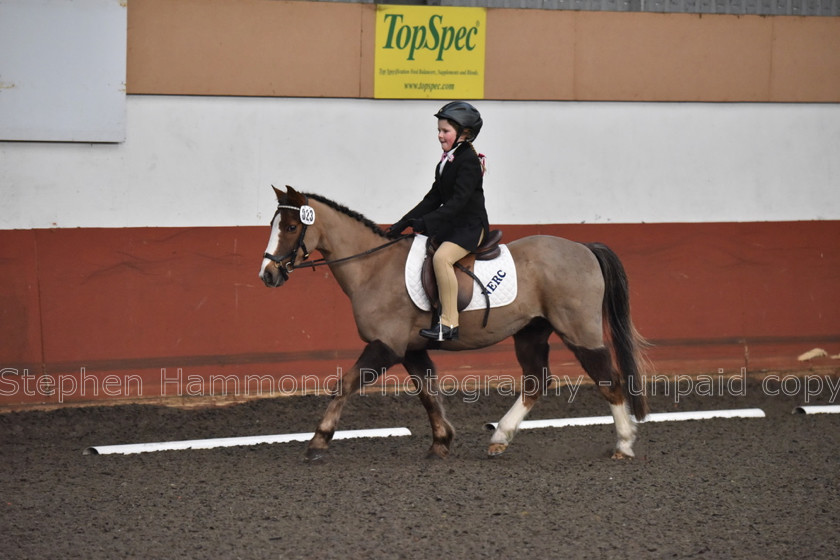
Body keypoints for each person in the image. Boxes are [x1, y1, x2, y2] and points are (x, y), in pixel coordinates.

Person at [386, 101, 489, 341]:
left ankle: (448, 324)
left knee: (442, 258)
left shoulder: (468, 161)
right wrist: (403, 223)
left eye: (445, 131)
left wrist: (427, 223)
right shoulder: (447, 160)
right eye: (439, 131)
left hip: (470, 227)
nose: (440, 136)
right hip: (453, 224)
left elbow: (458, 203)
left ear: (464, 133)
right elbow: (433, 198)